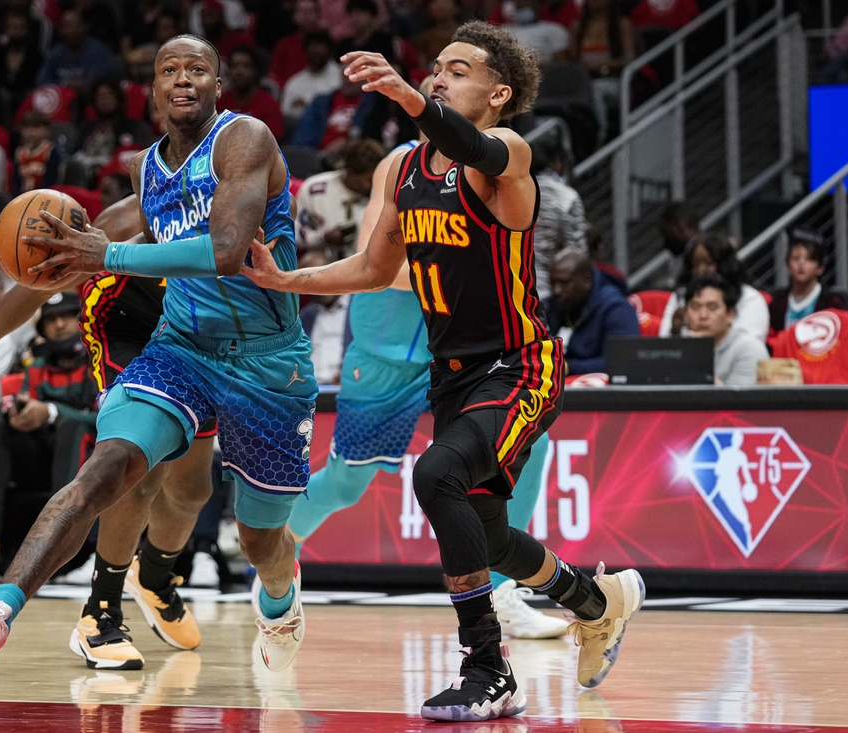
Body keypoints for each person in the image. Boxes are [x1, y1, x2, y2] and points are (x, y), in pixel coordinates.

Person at [244, 23, 644, 720]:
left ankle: (488, 666)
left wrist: (407, 97)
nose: (438, 76)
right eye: (436, 67)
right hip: (452, 375)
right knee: (487, 535)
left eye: (458, 70)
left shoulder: (509, 156)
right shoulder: (402, 171)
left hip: (519, 364)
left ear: (499, 93)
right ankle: (596, 600)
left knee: (436, 475)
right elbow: (374, 268)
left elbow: (475, 145)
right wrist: (289, 280)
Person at [0, 34, 317, 685]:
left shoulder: (245, 140)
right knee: (110, 467)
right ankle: (2, 606)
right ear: (154, 88)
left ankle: (279, 603)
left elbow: (227, 249)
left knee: (257, 538)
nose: (183, 78)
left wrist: (106, 256)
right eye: (169, 68)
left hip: (268, 362)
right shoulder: (149, 173)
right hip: (181, 351)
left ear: (217, 83)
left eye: (197, 68)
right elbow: (42, 277)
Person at [0, 194, 214, 672]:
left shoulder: (235, 200)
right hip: (125, 327)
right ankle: (100, 613)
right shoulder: (124, 219)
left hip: (196, 330)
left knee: (192, 488)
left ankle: (156, 576)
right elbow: (32, 291)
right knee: (135, 465)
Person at [0, 292, 98, 582]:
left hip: (90, 456)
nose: (60, 325)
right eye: (51, 321)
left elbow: (104, 419)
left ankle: (64, 549)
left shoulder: (97, 362)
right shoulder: (37, 367)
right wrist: (18, 416)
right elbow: (28, 405)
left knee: (71, 428)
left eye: (65, 317)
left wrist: (51, 411)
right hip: (42, 457)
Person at [659, 233, 769, 342]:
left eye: (709, 263)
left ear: (726, 265)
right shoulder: (680, 295)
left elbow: (749, 345)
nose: (701, 271)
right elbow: (663, 345)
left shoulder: (749, 298)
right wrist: (675, 331)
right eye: (695, 265)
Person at [545, 248, 637, 375]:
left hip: (599, 391)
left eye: (564, 283)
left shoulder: (617, 309)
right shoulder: (550, 306)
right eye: (552, 283)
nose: (557, 291)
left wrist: (567, 367)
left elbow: (623, 361)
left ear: (587, 280)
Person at [295, 138, 383, 259]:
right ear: (350, 172)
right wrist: (323, 238)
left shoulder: (387, 193)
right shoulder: (316, 190)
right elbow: (293, 233)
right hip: (328, 265)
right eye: (370, 180)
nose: (377, 184)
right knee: (314, 261)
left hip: (373, 265)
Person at [684, 274, 768, 386]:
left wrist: (697, 360)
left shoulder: (749, 350)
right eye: (695, 307)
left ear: (730, 314)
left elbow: (738, 401)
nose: (703, 316)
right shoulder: (678, 347)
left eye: (712, 307)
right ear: (685, 314)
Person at [530, 127, 585, 297]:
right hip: (550, 292)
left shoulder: (515, 192)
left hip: (513, 289)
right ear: (556, 162)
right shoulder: (567, 197)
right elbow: (576, 253)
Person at [570, 0, 633, 141]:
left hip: (614, 81)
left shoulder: (622, 24)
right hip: (585, 80)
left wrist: (603, 65)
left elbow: (629, 59)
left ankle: (601, 136)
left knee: (596, 89)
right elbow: (572, 61)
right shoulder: (578, 27)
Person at [767, 227, 845, 333]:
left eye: (809, 259)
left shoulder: (831, 303)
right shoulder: (776, 302)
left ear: (820, 269)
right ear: (788, 265)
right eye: (795, 258)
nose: (801, 263)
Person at [36, 10, 118, 93]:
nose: (72, 30)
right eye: (67, 27)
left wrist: (81, 85)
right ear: (61, 31)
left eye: (76, 26)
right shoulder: (55, 53)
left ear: (85, 27)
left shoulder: (97, 50)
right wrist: (65, 84)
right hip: (61, 98)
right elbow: (42, 80)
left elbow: (98, 81)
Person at [298, 252, 349, 384]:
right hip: (313, 390)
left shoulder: (357, 310)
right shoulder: (306, 316)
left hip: (345, 386)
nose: (318, 288)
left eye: (321, 280)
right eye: (310, 284)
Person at [219, 46, 284, 140]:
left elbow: (273, 145)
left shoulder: (269, 105)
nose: (239, 71)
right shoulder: (219, 102)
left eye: (246, 66)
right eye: (234, 66)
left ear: (256, 71)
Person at [281, 32, 342, 125]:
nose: (316, 51)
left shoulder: (341, 76)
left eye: (320, 46)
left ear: (330, 50)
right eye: (312, 46)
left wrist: (308, 106)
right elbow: (285, 115)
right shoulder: (295, 82)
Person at [270, 0, 323, 87]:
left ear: (318, 15)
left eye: (310, 11)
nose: (307, 16)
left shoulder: (327, 45)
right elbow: (275, 75)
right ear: (294, 16)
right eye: (302, 11)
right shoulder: (284, 45)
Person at [12, 112, 66, 196]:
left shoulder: (51, 151)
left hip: (46, 197)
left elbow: (52, 181)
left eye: (37, 127)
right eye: (28, 128)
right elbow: (16, 182)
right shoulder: (19, 152)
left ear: (47, 130)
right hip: (23, 198)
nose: (32, 133)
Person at [503, 0, 570, 64]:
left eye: (527, 5)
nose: (523, 8)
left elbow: (561, 66)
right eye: (520, 6)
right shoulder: (504, 30)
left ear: (538, 5)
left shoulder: (555, 30)